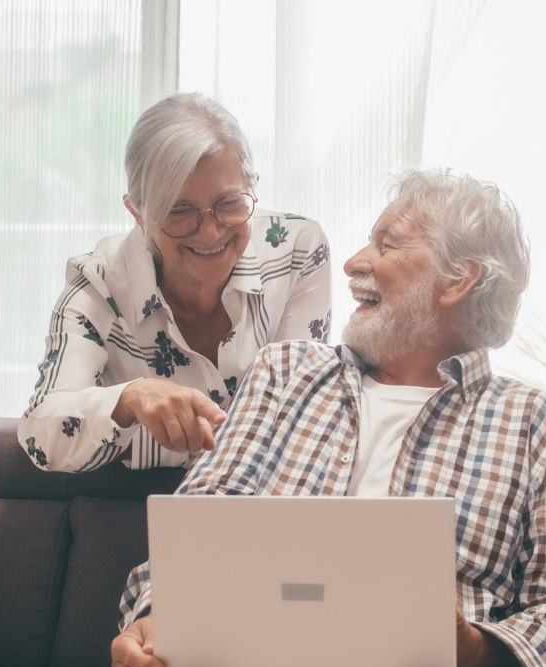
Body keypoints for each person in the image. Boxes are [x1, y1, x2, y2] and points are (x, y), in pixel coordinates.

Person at [101, 170, 546, 667]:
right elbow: (199, 527)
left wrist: (474, 646)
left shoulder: (542, 427)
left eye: (387, 245)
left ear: (457, 282)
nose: (353, 263)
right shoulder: (283, 376)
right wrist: (152, 625)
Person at [19, 93, 332, 472]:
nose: (210, 232)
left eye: (230, 202)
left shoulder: (297, 250)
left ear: (253, 186)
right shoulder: (98, 285)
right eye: (179, 211)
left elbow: (299, 418)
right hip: (140, 508)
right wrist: (130, 399)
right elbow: (42, 436)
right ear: (137, 212)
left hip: (266, 501)